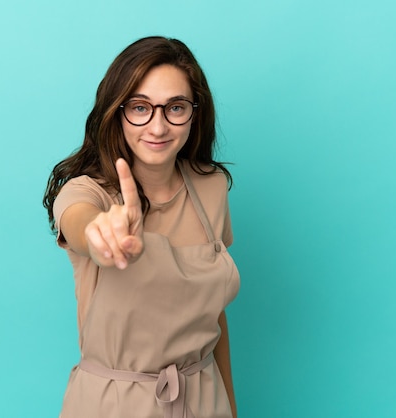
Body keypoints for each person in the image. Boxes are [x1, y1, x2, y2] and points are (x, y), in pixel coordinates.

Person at [43, 36, 240, 418]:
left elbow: (213, 314)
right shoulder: (88, 193)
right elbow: (80, 218)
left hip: (204, 399)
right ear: (117, 112)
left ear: (194, 113)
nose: (158, 126)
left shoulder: (211, 186)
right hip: (113, 405)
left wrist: (230, 407)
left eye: (175, 107)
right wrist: (100, 234)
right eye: (140, 107)